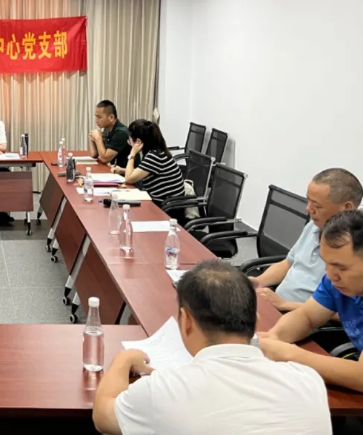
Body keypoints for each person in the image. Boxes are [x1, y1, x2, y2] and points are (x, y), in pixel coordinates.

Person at [93, 259, 331, 435]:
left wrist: (123, 360)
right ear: (255, 321)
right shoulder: (309, 381)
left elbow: (103, 416)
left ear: (186, 321)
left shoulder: (160, 390)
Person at [260, 210, 363, 393]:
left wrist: (288, 354)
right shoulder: (335, 283)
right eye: (326, 263)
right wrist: (275, 337)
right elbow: (306, 317)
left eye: (341, 267)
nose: (330, 276)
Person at [252, 169, 362, 313]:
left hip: (306, 314)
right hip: (278, 303)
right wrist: (258, 282)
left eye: (317, 205)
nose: (308, 209)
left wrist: (284, 304)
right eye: (308, 201)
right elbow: (288, 263)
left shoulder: (353, 247)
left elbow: (349, 312)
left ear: (346, 208)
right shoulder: (313, 226)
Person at [111, 119, 185, 206]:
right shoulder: (157, 151)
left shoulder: (154, 156)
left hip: (165, 207)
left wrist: (132, 153)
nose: (129, 142)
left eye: (129, 140)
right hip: (164, 201)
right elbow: (142, 171)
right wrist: (122, 170)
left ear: (138, 141)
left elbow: (128, 179)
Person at [89, 100, 132, 168]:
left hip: (126, 172)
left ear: (111, 117)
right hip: (115, 170)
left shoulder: (121, 133)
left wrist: (98, 138)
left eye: (99, 117)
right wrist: (92, 138)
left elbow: (105, 159)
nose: (96, 120)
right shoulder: (107, 129)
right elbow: (94, 155)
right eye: (96, 117)